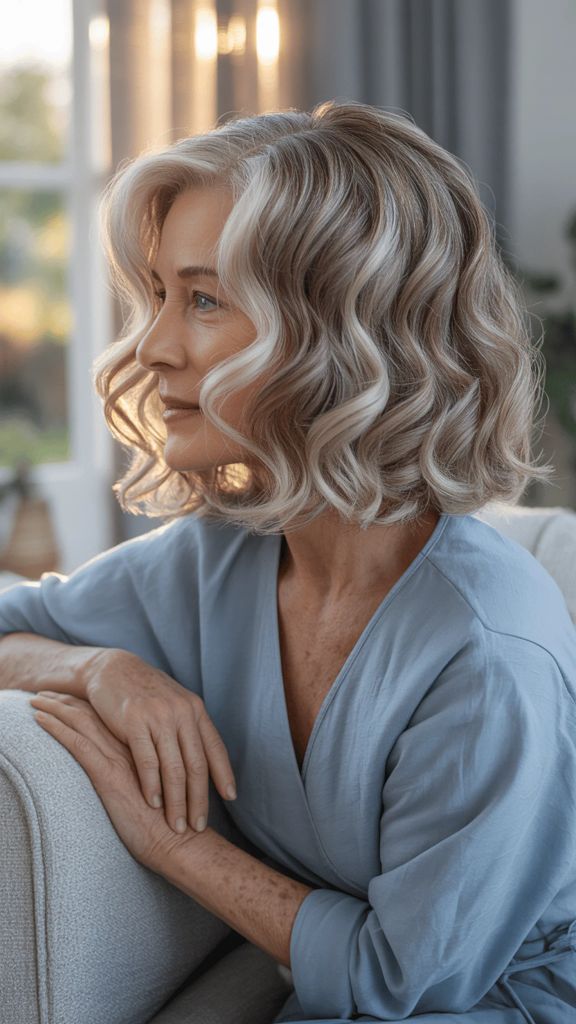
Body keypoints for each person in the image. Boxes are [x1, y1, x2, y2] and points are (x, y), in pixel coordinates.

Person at [1, 99, 576, 1024]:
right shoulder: (219, 560)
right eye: (156, 294)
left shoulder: (486, 650)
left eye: (203, 299)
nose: (150, 347)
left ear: (342, 336)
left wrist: (178, 846)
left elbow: (409, 985)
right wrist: (96, 669)